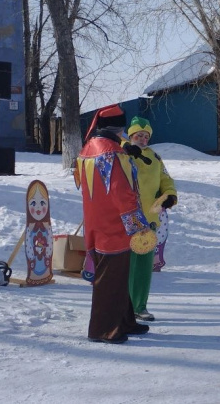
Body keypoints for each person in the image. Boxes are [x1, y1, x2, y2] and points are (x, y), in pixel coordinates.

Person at [75, 105, 156, 344]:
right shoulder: (112, 153)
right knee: (110, 279)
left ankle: (124, 321)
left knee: (118, 276)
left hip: (97, 221)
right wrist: (138, 225)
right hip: (115, 225)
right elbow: (122, 193)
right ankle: (104, 329)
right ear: (119, 128)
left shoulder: (90, 148)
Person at [126, 116, 177, 321]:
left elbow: (166, 179)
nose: (142, 139)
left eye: (146, 136)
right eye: (139, 135)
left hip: (149, 220)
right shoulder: (123, 153)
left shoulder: (155, 158)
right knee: (128, 266)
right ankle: (124, 306)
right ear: (131, 136)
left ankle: (140, 305)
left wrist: (170, 194)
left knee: (144, 266)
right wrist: (124, 149)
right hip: (128, 219)